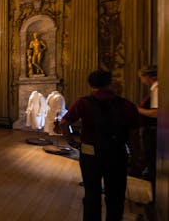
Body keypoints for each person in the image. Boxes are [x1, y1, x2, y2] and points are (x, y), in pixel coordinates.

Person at [60, 70, 140, 221]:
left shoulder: (83, 103)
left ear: (90, 85)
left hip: (90, 153)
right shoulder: (127, 105)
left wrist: (72, 142)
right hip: (117, 153)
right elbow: (134, 136)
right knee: (115, 196)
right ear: (110, 83)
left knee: (91, 194)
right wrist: (134, 159)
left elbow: (64, 123)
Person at [137, 65, 158, 192]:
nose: (141, 80)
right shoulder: (153, 89)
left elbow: (156, 113)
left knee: (152, 161)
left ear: (148, 76)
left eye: (142, 77)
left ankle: (154, 194)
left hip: (153, 130)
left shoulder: (157, 89)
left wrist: (137, 109)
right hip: (150, 129)